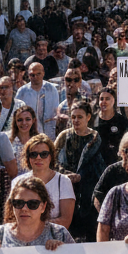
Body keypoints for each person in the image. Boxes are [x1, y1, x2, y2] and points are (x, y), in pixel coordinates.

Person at [52, 100, 104, 241]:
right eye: (73, 117)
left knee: (89, 229)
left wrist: (82, 176)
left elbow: (99, 166)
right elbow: (52, 160)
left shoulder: (95, 138)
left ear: (88, 117)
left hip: (89, 189)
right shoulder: (64, 136)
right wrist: (66, 174)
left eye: (80, 117)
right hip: (66, 187)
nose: (76, 120)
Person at [13, 134, 75, 230]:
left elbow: (65, 220)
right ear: (28, 157)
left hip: (54, 236)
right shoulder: (17, 182)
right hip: (24, 236)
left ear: (51, 157)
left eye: (44, 154)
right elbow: (11, 217)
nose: (38, 158)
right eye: (34, 154)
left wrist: (34, 228)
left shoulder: (63, 182)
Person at [15, 63, 59, 139]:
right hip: (29, 135)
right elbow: (16, 114)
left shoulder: (52, 89)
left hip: (49, 134)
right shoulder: (22, 92)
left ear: (43, 73)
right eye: (32, 75)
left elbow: (56, 112)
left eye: (38, 74)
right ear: (28, 75)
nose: (35, 77)